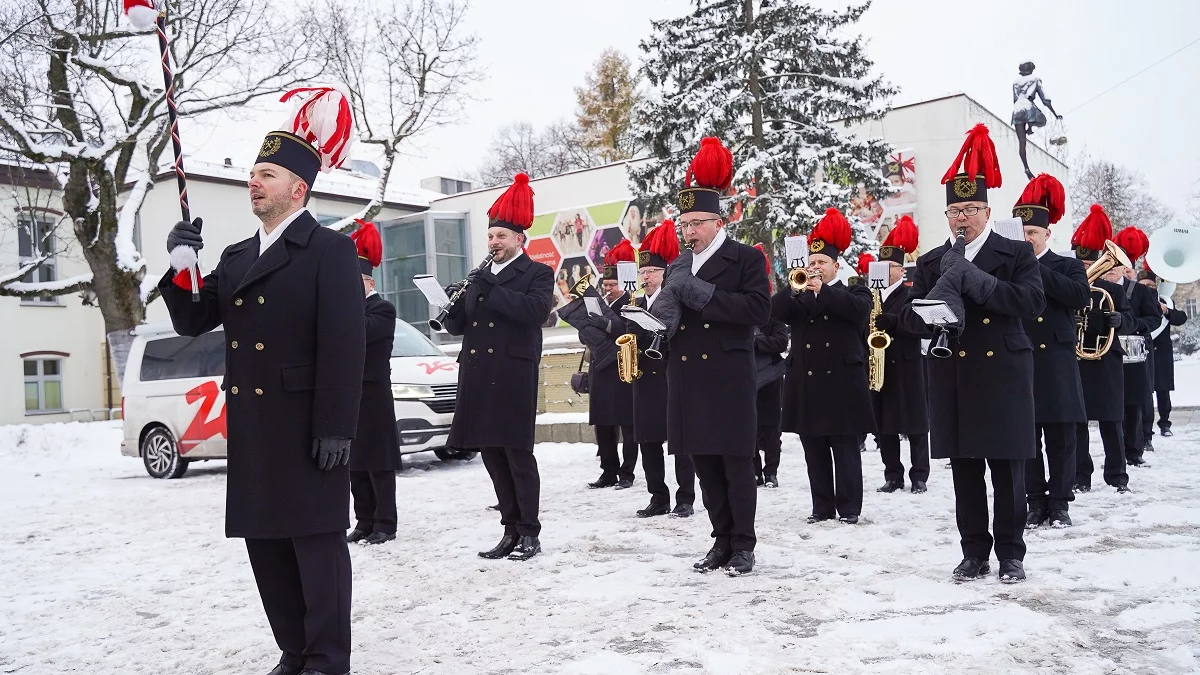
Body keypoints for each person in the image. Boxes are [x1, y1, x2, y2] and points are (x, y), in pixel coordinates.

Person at [160, 87, 364, 675]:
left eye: (266, 175)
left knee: (316, 548)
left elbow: (343, 347)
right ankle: (294, 648)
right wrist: (180, 268)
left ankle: (326, 657)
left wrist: (335, 427)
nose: (254, 183)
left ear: (298, 188)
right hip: (254, 426)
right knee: (266, 545)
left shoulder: (330, 251)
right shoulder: (235, 255)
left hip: (306, 428)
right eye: (252, 174)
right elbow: (197, 318)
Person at [897, 124, 1045, 584]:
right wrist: (928, 313)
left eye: (970, 209)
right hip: (953, 374)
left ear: (986, 210)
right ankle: (973, 551)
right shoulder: (929, 262)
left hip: (1002, 372)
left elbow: (1030, 303)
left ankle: (1012, 553)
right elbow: (905, 318)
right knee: (965, 471)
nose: (962, 218)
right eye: (954, 211)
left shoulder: (1016, 252)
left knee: (1007, 470)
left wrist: (974, 279)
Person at [660, 137, 770, 575]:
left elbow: (757, 311)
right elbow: (672, 311)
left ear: (718, 221)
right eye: (683, 224)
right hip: (687, 378)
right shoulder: (677, 266)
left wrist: (704, 295)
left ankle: (743, 543)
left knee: (736, 464)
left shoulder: (745, 258)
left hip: (728, 375)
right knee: (704, 463)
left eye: (697, 223)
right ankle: (720, 539)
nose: (689, 232)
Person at [443, 172, 555, 562]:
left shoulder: (537, 273)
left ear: (519, 240)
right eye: (490, 237)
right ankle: (509, 529)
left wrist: (490, 290)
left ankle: (529, 532)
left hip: (511, 375)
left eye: (501, 237)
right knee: (491, 455)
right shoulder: (478, 279)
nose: (494, 243)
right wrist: (449, 306)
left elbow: (536, 312)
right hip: (477, 376)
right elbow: (461, 326)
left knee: (517, 455)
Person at [773, 208, 875, 523]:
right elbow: (773, 312)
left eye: (821, 264)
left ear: (835, 266)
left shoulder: (854, 289)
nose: (815, 268)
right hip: (807, 382)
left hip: (843, 382)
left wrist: (823, 291)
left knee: (844, 448)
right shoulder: (799, 296)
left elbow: (858, 312)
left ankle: (848, 508)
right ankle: (821, 506)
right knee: (813, 448)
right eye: (812, 263)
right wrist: (793, 287)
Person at [1013, 175, 1089, 528]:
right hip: (1021, 357)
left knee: (1062, 436)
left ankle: (1060, 502)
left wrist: (1035, 267)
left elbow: (1079, 297)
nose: (1028, 239)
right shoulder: (1008, 267)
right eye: (1023, 233)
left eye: (1033, 233)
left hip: (1056, 360)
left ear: (1046, 235)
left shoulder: (1067, 265)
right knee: (1026, 436)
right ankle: (1034, 501)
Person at [628, 222, 696, 518]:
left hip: (670, 378)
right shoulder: (636, 303)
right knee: (648, 441)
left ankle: (685, 498)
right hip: (644, 379)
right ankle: (658, 496)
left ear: (664, 273)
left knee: (680, 443)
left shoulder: (675, 299)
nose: (645, 277)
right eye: (642, 272)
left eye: (651, 272)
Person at [561, 239, 638, 490]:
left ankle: (627, 472)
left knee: (627, 423)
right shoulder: (594, 302)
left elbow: (627, 330)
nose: (608, 288)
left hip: (622, 369)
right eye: (605, 284)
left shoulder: (632, 303)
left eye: (613, 284)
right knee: (603, 424)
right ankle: (608, 471)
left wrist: (605, 324)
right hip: (600, 369)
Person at [1071, 205, 1136, 495]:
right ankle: (1081, 475)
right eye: (1083, 267)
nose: (1087, 271)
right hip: (1077, 361)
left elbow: (1131, 319)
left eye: (1090, 266)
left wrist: (1119, 319)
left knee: (1112, 420)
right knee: (1077, 423)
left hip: (1106, 360)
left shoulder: (1115, 291)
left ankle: (1117, 476)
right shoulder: (1069, 287)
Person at [345, 221, 402, 546]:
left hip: (374, 394)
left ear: (367, 282)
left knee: (379, 464)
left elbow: (361, 332)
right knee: (355, 464)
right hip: (351, 394)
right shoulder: (351, 310)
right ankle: (364, 521)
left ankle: (385, 523)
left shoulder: (382, 308)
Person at [869, 218, 930, 495]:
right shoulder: (872, 295)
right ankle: (892, 474)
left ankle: (919, 476)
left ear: (900, 270)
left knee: (916, 423)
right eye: (880, 266)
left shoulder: (911, 294)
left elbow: (919, 324)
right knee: (885, 424)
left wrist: (890, 321)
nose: (884, 271)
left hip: (907, 364)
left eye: (889, 267)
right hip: (880, 366)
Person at [1111, 227, 1159, 467]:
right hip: (1108, 354)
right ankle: (1117, 453)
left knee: (1133, 406)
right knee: (1112, 408)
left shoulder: (1139, 291)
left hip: (1133, 355)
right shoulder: (1099, 288)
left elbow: (1154, 319)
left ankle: (1134, 450)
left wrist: (1132, 325)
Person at [751, 244, 788, 489]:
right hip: (748, 377)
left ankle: (771, 471)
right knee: (749, 430)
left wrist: (756, 341)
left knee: (771, 431)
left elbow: (781, 341)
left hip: (771, 380)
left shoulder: (774, 312)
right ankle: (755, 472)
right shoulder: (744, 310)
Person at [1139, 269, 1189, 438]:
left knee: (1163, 390)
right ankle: (1146, 427)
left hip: (1162, 353)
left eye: (1152, 285)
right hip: (1144, 350)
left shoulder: (1165, 301)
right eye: (1145, 285)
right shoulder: (1135, 300)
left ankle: (1165, 423)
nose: (1149, 288)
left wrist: (1166, 310)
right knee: (1145, 392)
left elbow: (1181, 318)